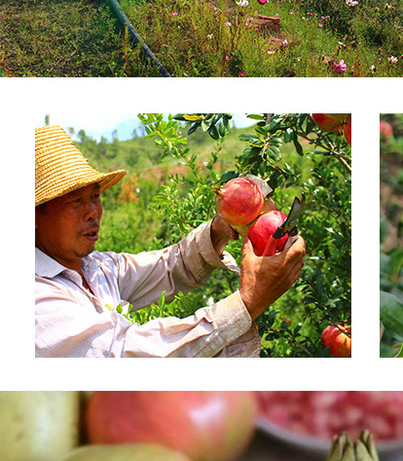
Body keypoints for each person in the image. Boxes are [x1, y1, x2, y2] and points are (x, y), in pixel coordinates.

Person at [35, 125, 306, 358]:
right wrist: (248, 302)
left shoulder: (97, 268)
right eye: (74, 201)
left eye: (95, 196)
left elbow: (171, 266)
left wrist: (221, 227)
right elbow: (125, 356)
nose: (93, 211)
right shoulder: (37, 303)